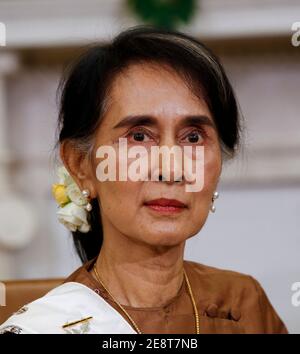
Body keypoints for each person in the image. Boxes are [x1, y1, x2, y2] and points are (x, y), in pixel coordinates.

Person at [0, 26, 288, 334]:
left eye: (193, 137)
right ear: (81, 165)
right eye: (139, 136)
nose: (171, 169)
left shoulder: (241, 304)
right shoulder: (46, 328)